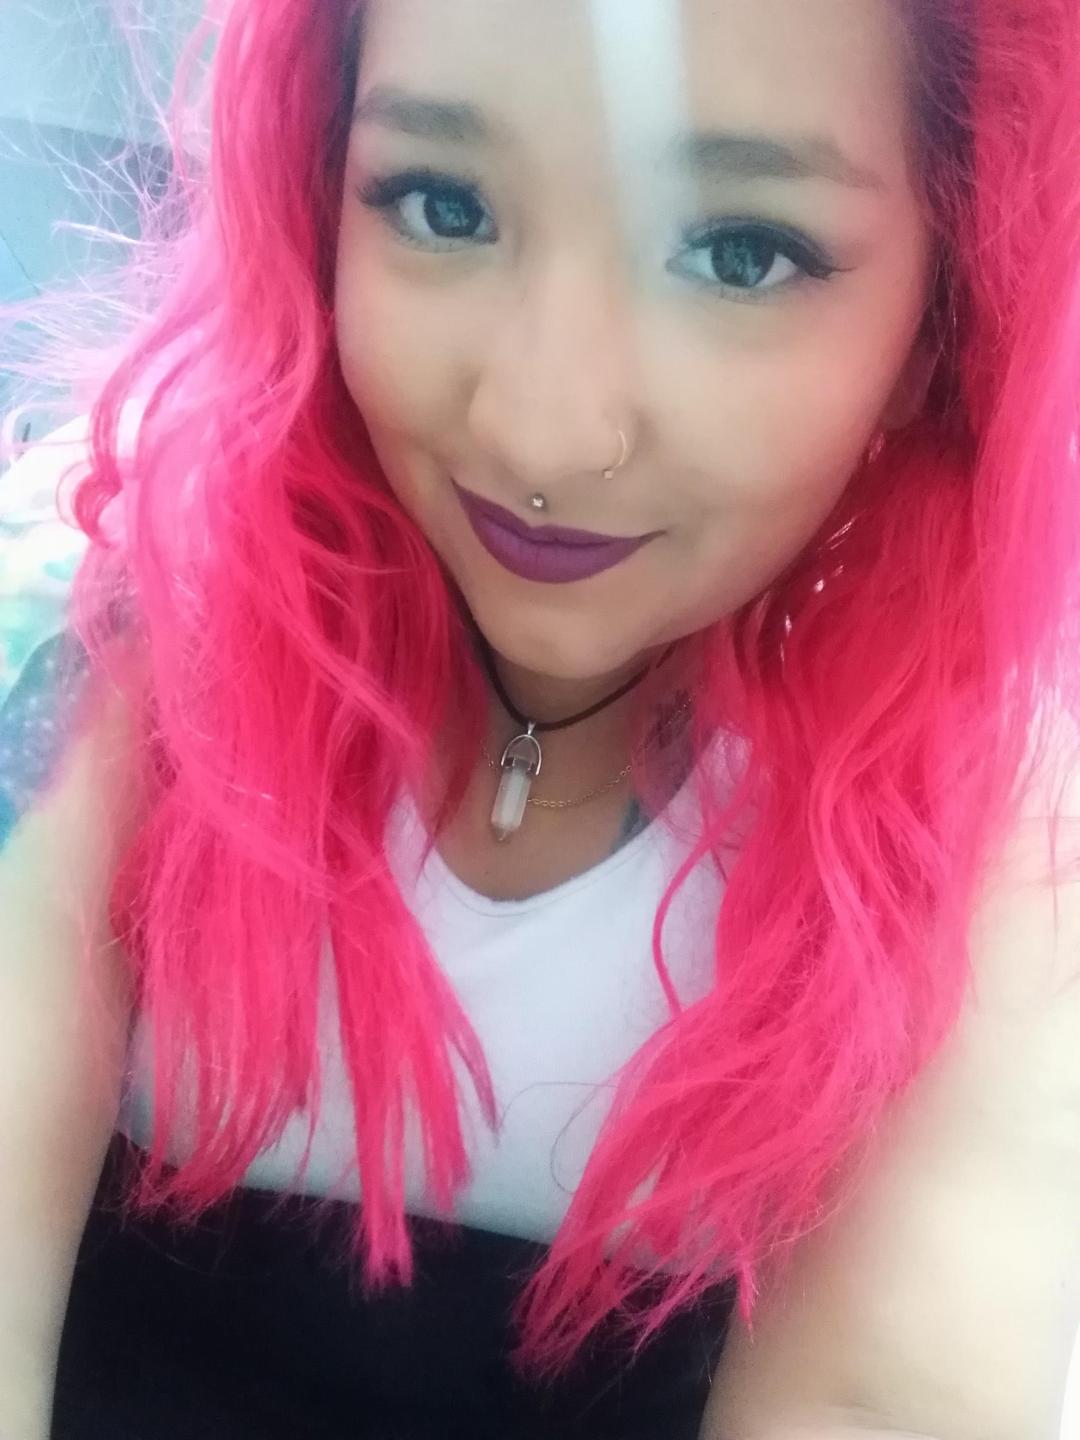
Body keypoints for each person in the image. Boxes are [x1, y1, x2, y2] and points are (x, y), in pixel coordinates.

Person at [0, 0, 1078, 1436]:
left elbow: (896, 1398)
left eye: (741, 251)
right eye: (441, 205)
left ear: (940, 328)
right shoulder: (112, 626)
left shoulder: (997, 829)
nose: (545, 432)